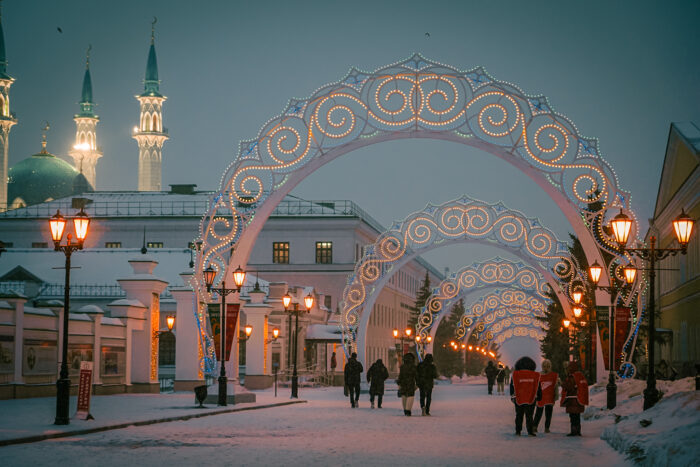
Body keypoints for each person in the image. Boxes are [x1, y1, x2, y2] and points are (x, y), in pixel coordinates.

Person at [510, 356, 541, 436]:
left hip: (519, 397)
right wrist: (539, 396)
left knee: (519, 414)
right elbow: (538, 386)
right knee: (529, 415)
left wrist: (512, 395)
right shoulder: (535, 375)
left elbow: (512, 385)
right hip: (531, 397)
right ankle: (530, 431)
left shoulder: (516, 375)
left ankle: (518, 431)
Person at [560, 360, 588, 436]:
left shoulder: (572, 377)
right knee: (577, 417)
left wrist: (561, 383)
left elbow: (569, 387)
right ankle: (578, 431)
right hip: (579, 400)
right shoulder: (580, 376)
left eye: (568, 367)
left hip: (572, 400)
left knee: (573, 417)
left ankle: (573, 431)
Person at [533, 359, 558, 433]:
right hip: (541, 397)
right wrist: (535, 397)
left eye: (547, 366)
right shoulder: (539, 375)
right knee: (538, 412)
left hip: (550, 397)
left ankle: (547, 428)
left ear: (550, 366)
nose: (546, 368)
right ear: (542, 367)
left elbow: (555, 387)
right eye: (544, 366)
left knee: (549, 414)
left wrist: (555, 397)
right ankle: (534, 426)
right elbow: (535, 387)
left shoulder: (553, 376)